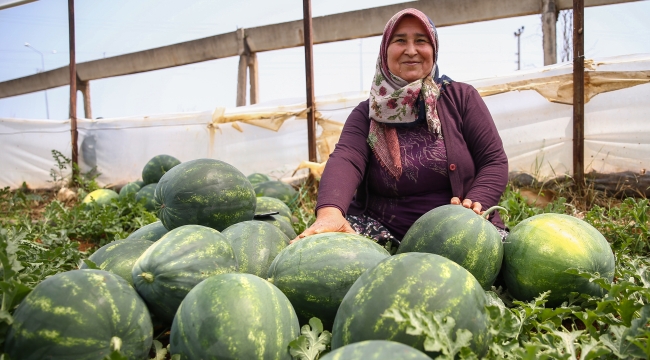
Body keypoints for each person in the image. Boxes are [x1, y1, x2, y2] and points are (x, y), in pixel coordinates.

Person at [292, 8, 508, 246]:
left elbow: (493, 160)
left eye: (421, 41)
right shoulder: (367, 114)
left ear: (433, 48)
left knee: (499, 261)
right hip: (385, 231)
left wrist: (475, 204)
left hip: (462, 226)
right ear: (385, 51)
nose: (411, 50)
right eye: (400, 40)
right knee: (330, 255)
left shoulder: (461, 97)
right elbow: (346, 160)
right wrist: (330, 212)